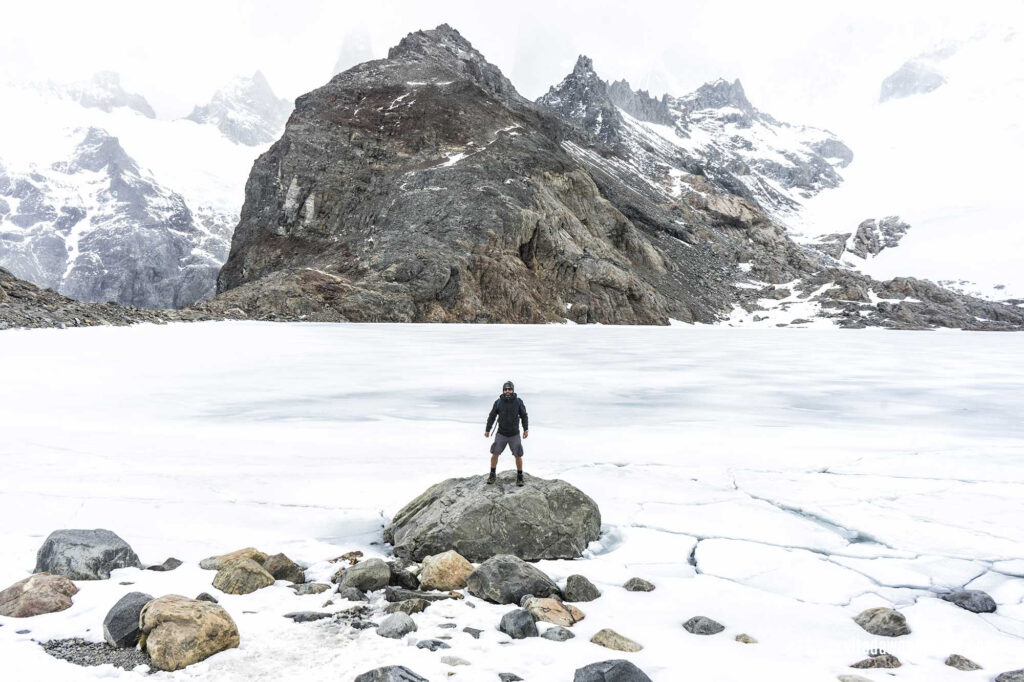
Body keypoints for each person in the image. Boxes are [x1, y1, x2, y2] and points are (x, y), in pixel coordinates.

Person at [485, 380, 529, 486]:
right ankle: (492, 474)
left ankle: (519, 476)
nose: (507, 391)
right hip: (501, 434)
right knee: (495, 454)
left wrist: (525, 429)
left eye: (509, 389)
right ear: (503, 390)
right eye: (505, 389)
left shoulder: (518, 401)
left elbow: (524, 416)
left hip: (514, 434)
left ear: (513, 390)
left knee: (518, 455)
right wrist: (487, 429)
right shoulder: (498, 402)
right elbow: (492, 416)